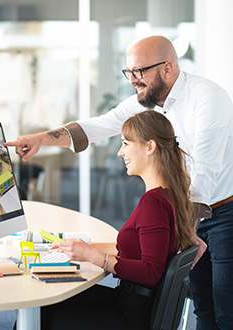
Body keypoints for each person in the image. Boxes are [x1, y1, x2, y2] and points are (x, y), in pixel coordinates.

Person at [5, 35, 233, 330]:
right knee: (203, 307)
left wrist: (184, 225)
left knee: (226, 310)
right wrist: (40, 139)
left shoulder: (207, 98)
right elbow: (101, 124)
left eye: (140, 72)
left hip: (222, 211)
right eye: (129, 72)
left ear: (167, 68)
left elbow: (205, 169)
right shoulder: (149, 99)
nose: (133, 80)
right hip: (186, 211)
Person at [39, 110, 194, 330]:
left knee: (44, 311)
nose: (121, 153)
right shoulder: (169, 194)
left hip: (130, 315)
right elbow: (140, 248)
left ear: (150, 147)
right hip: (132, 302)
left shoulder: (154, 203)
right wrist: (82, 249)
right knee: (49, 300)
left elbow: (151, 272)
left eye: (126, 144)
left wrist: (95, 257)